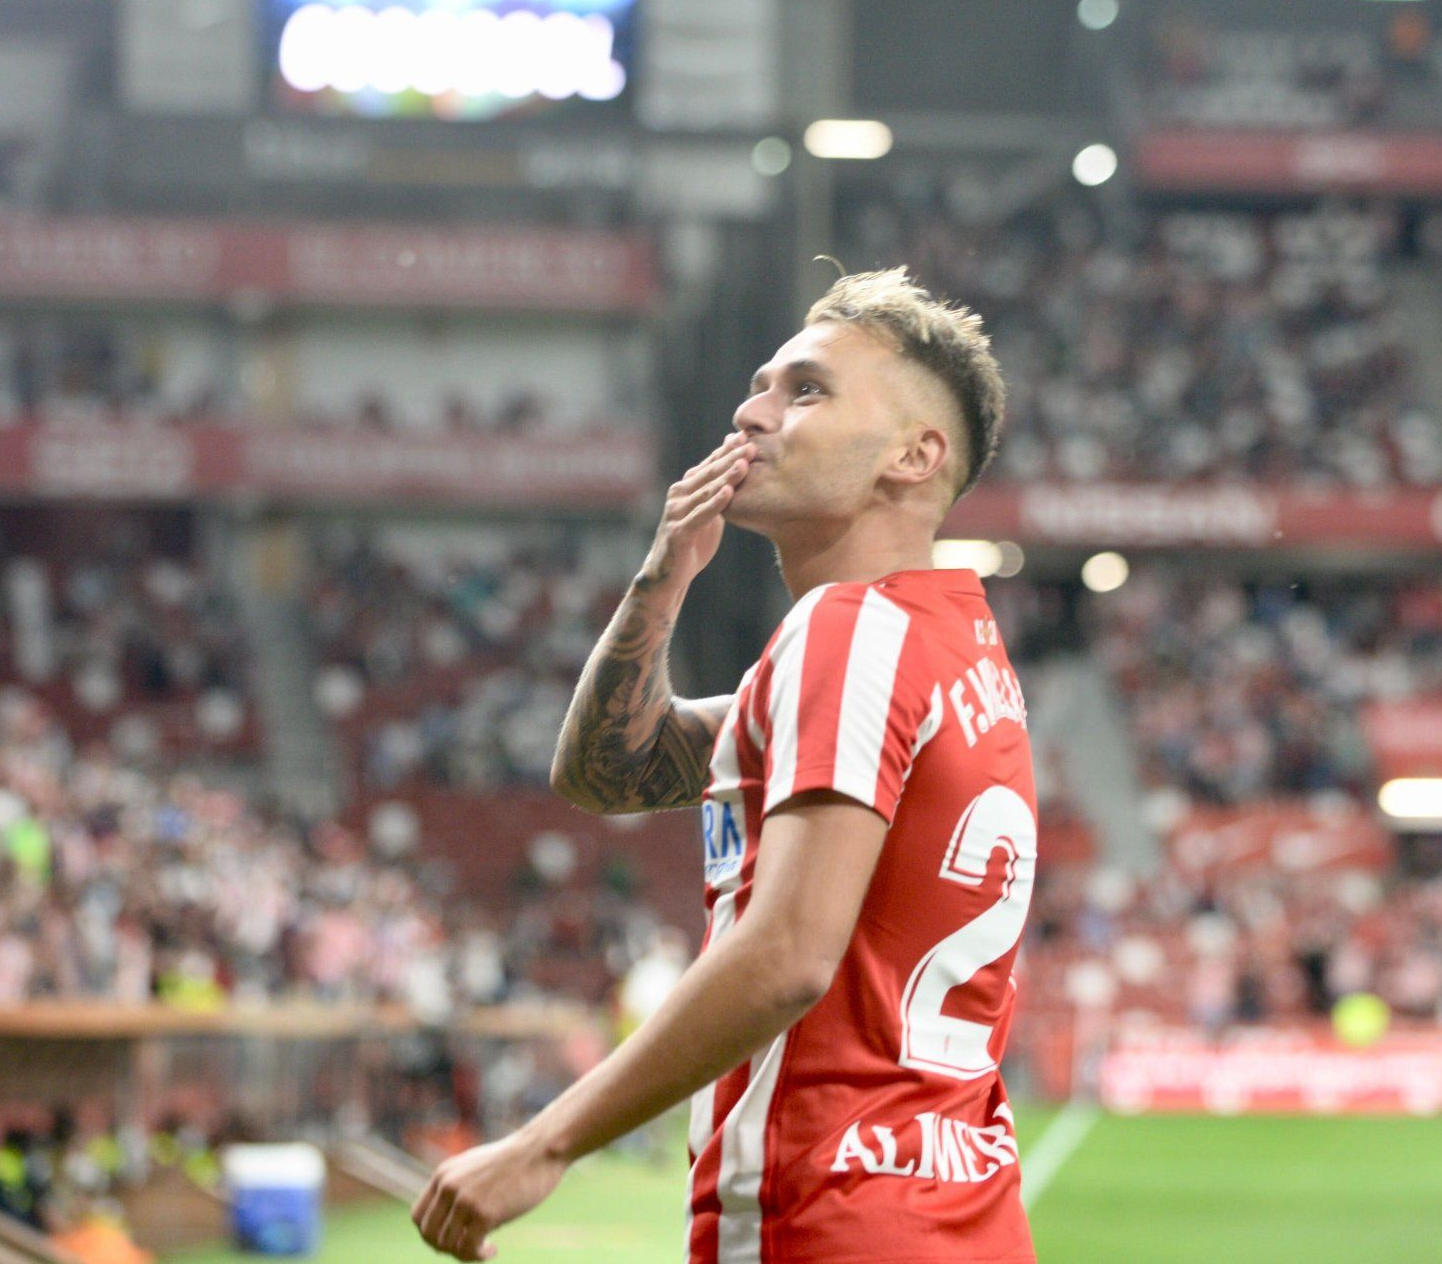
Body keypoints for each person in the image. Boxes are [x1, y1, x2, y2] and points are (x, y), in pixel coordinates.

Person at [411, 267, 1036, 1262]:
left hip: (833, 1211)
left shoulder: (848, 630)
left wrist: (542, 1141)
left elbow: (786, 953)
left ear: (914, 456)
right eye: (759, 384)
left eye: (806, 390)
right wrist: (661, 580)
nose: (751, 411)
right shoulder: (946, 643)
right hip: (950, 1209)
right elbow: (607, 772)